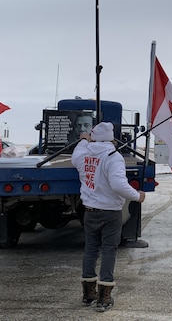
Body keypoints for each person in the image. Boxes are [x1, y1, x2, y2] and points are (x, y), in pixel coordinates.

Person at [72, 122, 146, 312]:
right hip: (110, 212)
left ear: (94, 136)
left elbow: (75, 157)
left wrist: (83, 141)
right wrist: (137, 196)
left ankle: (88, 294)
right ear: (112, 138)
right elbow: (118, 185)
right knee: (108, 251)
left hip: (89, 210)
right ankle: (104, 297)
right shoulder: (114, 157)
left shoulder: (85, 154)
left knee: (90, 250)